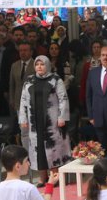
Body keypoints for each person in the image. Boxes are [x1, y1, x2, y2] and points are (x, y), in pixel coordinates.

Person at [19, 56, 72, 184]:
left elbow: (63, 99)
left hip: (52, 120)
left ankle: (54, 178)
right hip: (35, 120)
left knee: (53, 148)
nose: (39, 67)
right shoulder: (29, 80)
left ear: (47, 65)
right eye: (37, 64)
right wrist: (23, 118)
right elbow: (23, 100)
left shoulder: (56, 79)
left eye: (42, 64)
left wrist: (62, 117)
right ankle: (43, 178)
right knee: (38, 150)